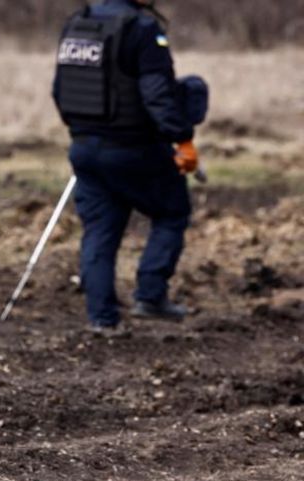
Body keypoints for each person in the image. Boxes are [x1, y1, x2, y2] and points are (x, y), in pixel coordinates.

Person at [52, 0, 199, 330]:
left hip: (84, 149)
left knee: (99, 232)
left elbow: (59, 91)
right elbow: (157, 95)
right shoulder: (142, 29)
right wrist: (182, 138)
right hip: (134, 148)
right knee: (172, 211)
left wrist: (86, 131)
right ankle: (150, 295)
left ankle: (102, 320)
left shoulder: (78, 24)